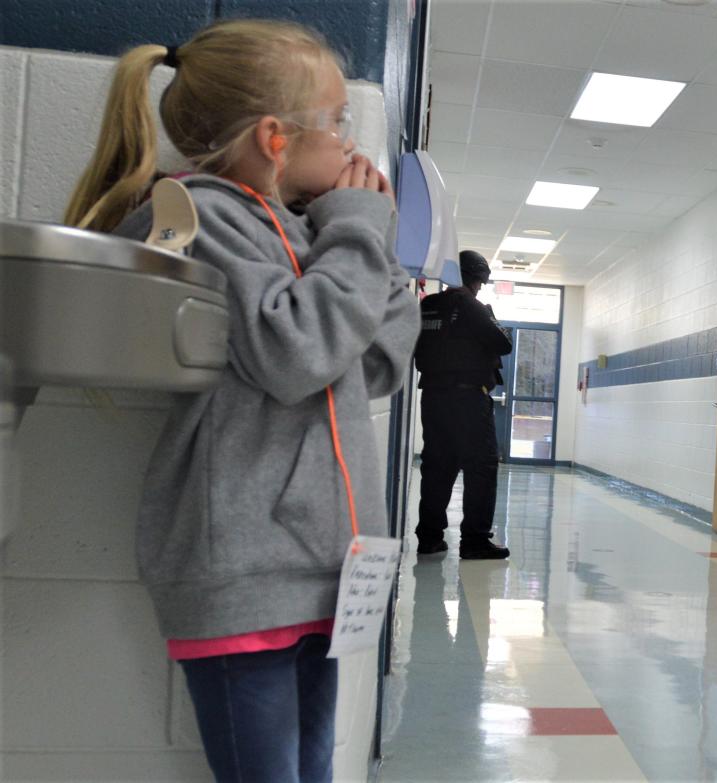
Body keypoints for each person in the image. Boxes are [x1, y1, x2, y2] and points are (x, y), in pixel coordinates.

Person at [64, 19, 421, 781]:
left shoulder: (308, 232)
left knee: (312, 770)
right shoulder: (206, 218)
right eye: (337, 121)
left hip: (322, 566)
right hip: (243, 570)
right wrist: (354, 236)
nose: (350, 141)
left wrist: (373, 247)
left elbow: (377, 365)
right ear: (274, 137)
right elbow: (297, 354)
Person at [414, 250, 513, 560]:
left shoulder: (427, 306)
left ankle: (429, 537)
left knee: (437, 466)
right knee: (481, 467)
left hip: (433, 396)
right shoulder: (470, 305)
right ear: (475, 280)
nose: (481, 288)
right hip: (469, 398)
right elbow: (503, 344)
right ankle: (475, 540)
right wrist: (487, 314)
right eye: (480, 283)